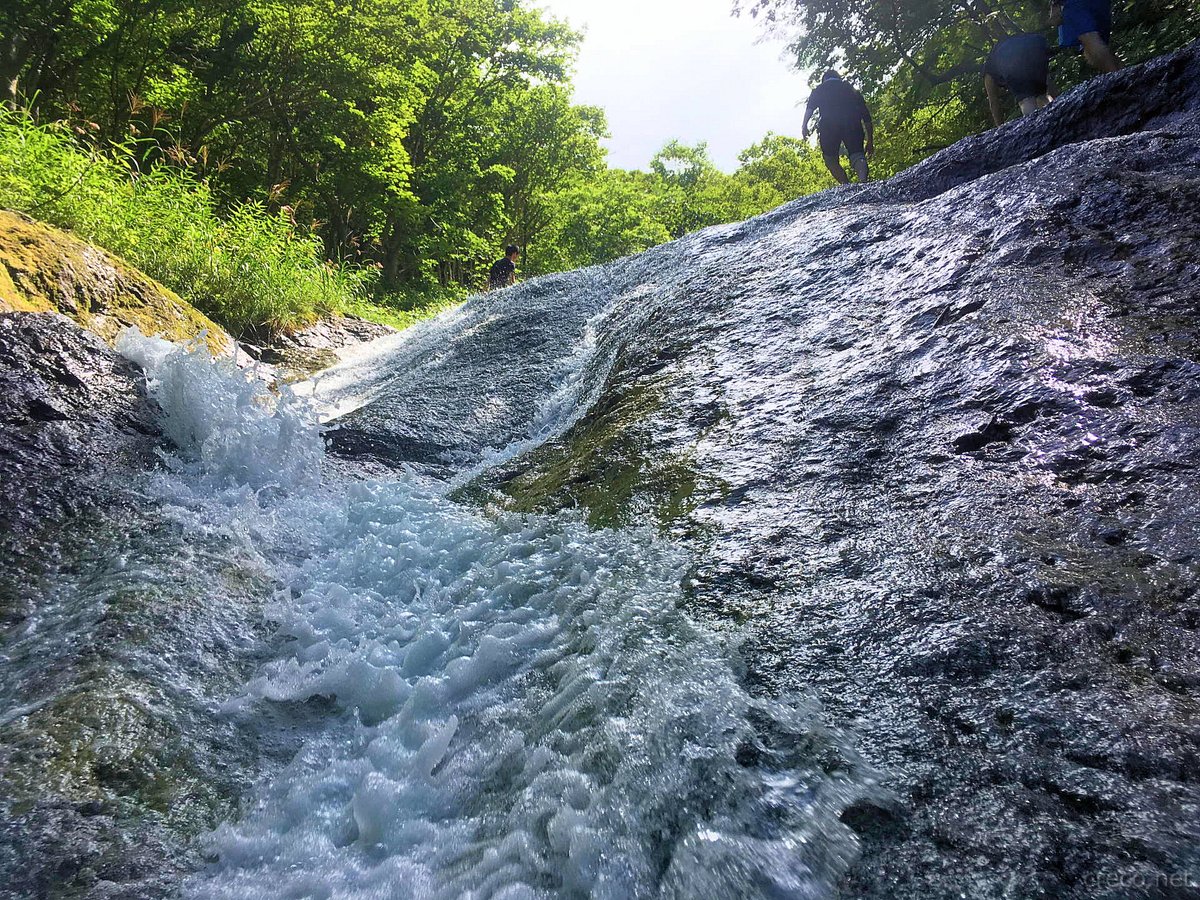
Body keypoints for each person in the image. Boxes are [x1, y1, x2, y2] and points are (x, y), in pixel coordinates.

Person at [802, 70, 874, 185]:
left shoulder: (819, 90)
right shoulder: (849, 88)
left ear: (824, 79)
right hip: (852, 123)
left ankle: (845, 185)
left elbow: (809, 110)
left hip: (828, 126)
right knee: (857, 154)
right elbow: (866, 116)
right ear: (838, 78)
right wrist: (870, 140)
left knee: (830, 159)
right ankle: (863, 181)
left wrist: (804, 126)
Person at [984, 33, 1056, 126]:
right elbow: (1048, 82)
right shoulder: (1000, 53)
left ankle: (1037, 127)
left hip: (1013, 60)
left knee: (1026, 99)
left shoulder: (988, 69)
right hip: (1036, 44)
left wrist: (1000, 130)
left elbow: (993, 102)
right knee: (1042, 94)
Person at [1051, 0, 1121, 74]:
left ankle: (1119, 77)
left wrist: (1055, 5)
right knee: (1099, 44)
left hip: (1075, 3)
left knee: (1089, 39)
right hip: (1101, 4)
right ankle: (1124, 75)